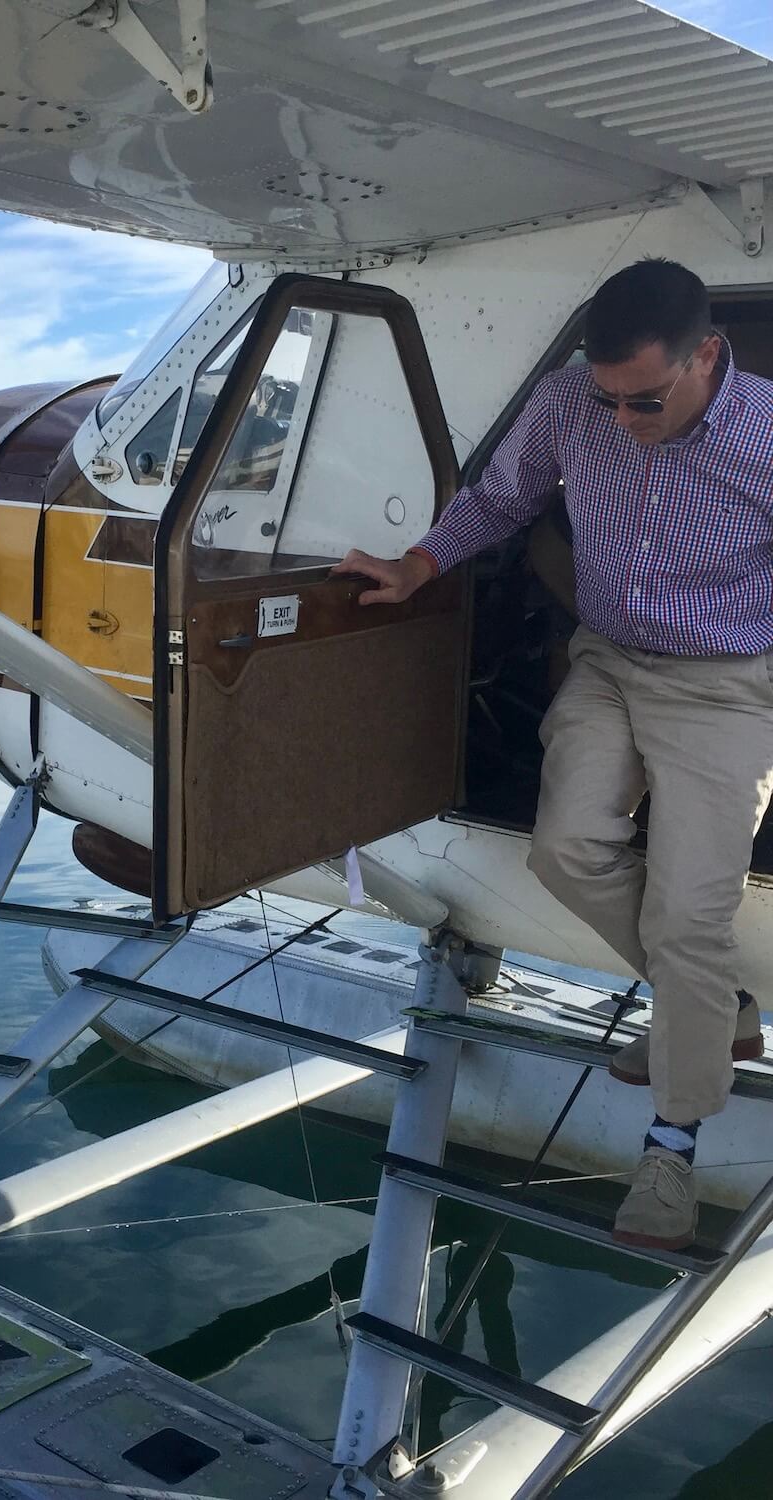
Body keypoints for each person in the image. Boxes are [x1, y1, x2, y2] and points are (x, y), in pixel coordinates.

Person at [337, 258, 773, 1250]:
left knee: (685, 911)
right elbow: (501, 499)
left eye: (644, 401)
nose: (620, 420)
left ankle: (669, 1153)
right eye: (608, 399)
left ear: (707, 356)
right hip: (609, 664)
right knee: (563, 848)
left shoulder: (768, 432)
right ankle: (713, 1006)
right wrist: (415, 566)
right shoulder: (569, 401)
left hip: (728, 685)